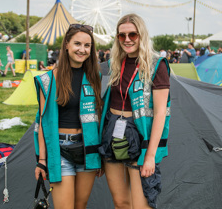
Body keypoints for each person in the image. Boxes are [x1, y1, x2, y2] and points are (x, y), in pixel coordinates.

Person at [99, 14, 171, 209]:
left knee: (141, 205)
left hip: (140, 137)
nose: (127, 39)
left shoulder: (157, 65)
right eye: (122, 36)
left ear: (142, 35)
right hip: (113, 132)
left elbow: (160, 114)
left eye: (133, 34)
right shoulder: (114, 64)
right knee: (121, 203)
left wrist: (150, 156)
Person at [34, 24, 103, 209]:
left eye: (87, 46)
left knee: (80, 206)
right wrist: (41, 160)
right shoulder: (48, 80)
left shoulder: (95, 76)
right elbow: (43, 122)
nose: (82, 50)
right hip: (60, 150)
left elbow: (97, 116)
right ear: (66, 44)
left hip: (87, 149)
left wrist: (100, 155)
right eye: (77, 44)